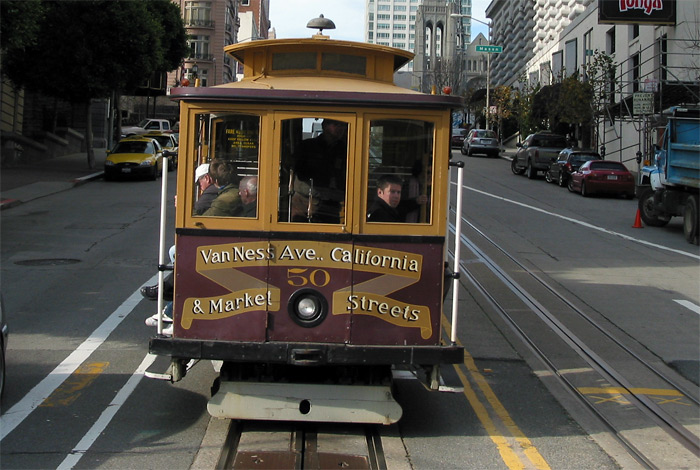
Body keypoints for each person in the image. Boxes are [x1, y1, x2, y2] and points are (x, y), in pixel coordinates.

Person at [291, 119, 348, 223]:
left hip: (331, 204)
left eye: (343, 125)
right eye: (336, 124)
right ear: (324, 126)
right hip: (305, 201)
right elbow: (299, 171)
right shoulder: (307, 146)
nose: (340, 128)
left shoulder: (345, 149)